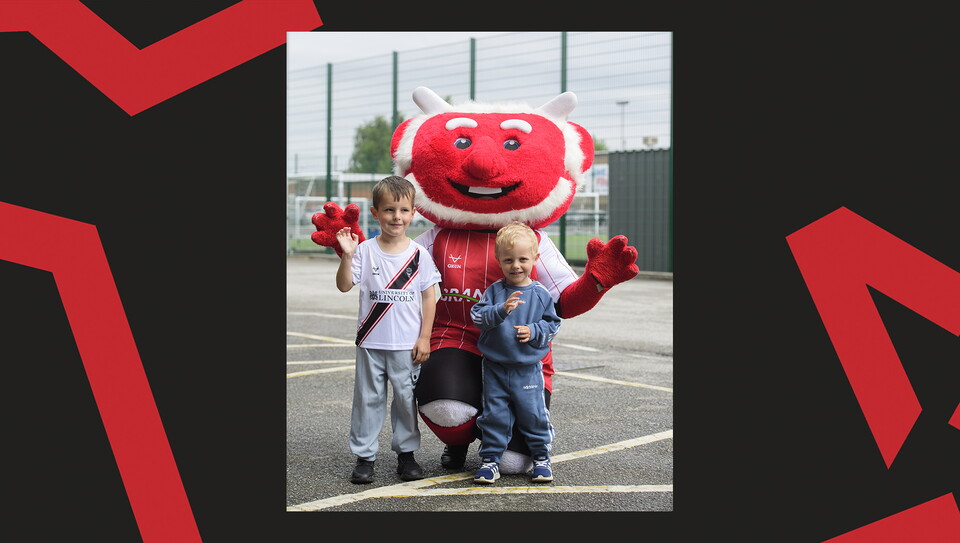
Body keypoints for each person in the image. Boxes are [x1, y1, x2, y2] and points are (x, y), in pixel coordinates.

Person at [335, 175, 441, 484]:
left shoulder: (419, 254)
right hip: (371, 341)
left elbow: (428, 297)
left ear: (413, 213)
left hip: (407, 345)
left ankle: (406, 456)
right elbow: (343, 286)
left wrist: (424, 337)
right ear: (375, 213)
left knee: (406, 400)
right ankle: (365, 456)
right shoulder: (364, 250)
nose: (397, 217)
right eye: (389, 210)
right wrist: (347, 255)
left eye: (403, 210)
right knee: (368, 400)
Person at [469, 222, 561, 484]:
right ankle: (490, 462)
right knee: (494, 416)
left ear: (535, 258)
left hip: (528, 370)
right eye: (508, 260)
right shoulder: (495, 291)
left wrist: (533, 332)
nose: (516, 265)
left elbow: (553, 324)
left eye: (523, 259)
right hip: (496, 367)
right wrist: (501, 311)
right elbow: (478, 316)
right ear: (498, 259)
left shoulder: (541, 294)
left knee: (533, 415)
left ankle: (541, 459)